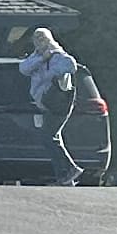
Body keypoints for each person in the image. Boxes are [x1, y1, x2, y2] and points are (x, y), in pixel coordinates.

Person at [19, 25, 86, 184]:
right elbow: (23, 68)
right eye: (36, 39)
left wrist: (48, 72)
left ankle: (70, 169)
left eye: (42, 38)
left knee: (48, 137)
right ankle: (64, 178)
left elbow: (71, 65)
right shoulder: (36, 57)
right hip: (44, 103)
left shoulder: (58, 55)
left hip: (58, 104)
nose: (39, 42)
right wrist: (42, 58)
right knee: (53, 138)